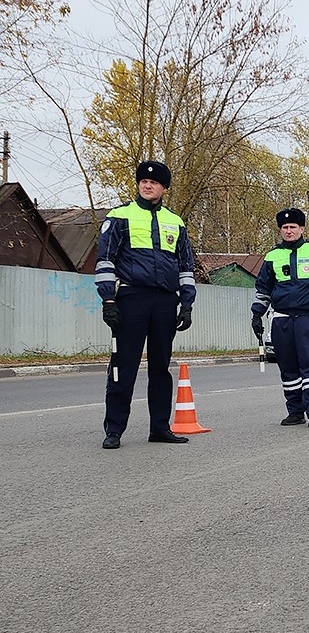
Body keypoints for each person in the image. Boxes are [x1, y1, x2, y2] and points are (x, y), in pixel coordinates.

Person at [95, 160, 196, 450]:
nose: (147, 185)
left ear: (164, 188)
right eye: (142, 181)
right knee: (123, 365)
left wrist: (186, 304)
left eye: (153, 182)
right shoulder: (119, 216)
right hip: (131, 298)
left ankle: (160, 428)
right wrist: (108, 300)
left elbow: (185, 267)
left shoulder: (175, 222)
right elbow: (105, 261)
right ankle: (114, 429)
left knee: (160, 368)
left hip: (165, 301)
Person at [251, 208, 309, 428]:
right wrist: (257, 314)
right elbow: (263, 289)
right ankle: (295, 411)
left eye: (293, 227)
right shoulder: (272, 256)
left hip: (307, 318)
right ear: (280, 230)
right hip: (281, 319)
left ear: (301, 228)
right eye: (285, 228)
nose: (289, 231)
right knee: (288, 367)